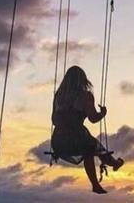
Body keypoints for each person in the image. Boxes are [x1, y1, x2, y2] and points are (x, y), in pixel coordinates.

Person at [52, 65, 124, 194]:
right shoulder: (85, 96)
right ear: (83, 80)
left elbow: (53, 120)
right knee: (90, 147)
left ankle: (109, 170)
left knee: (92, 147)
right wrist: (103, 113)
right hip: (76, 137)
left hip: (59, 139)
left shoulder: (58, 96)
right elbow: (93, 118)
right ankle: (105, 173)